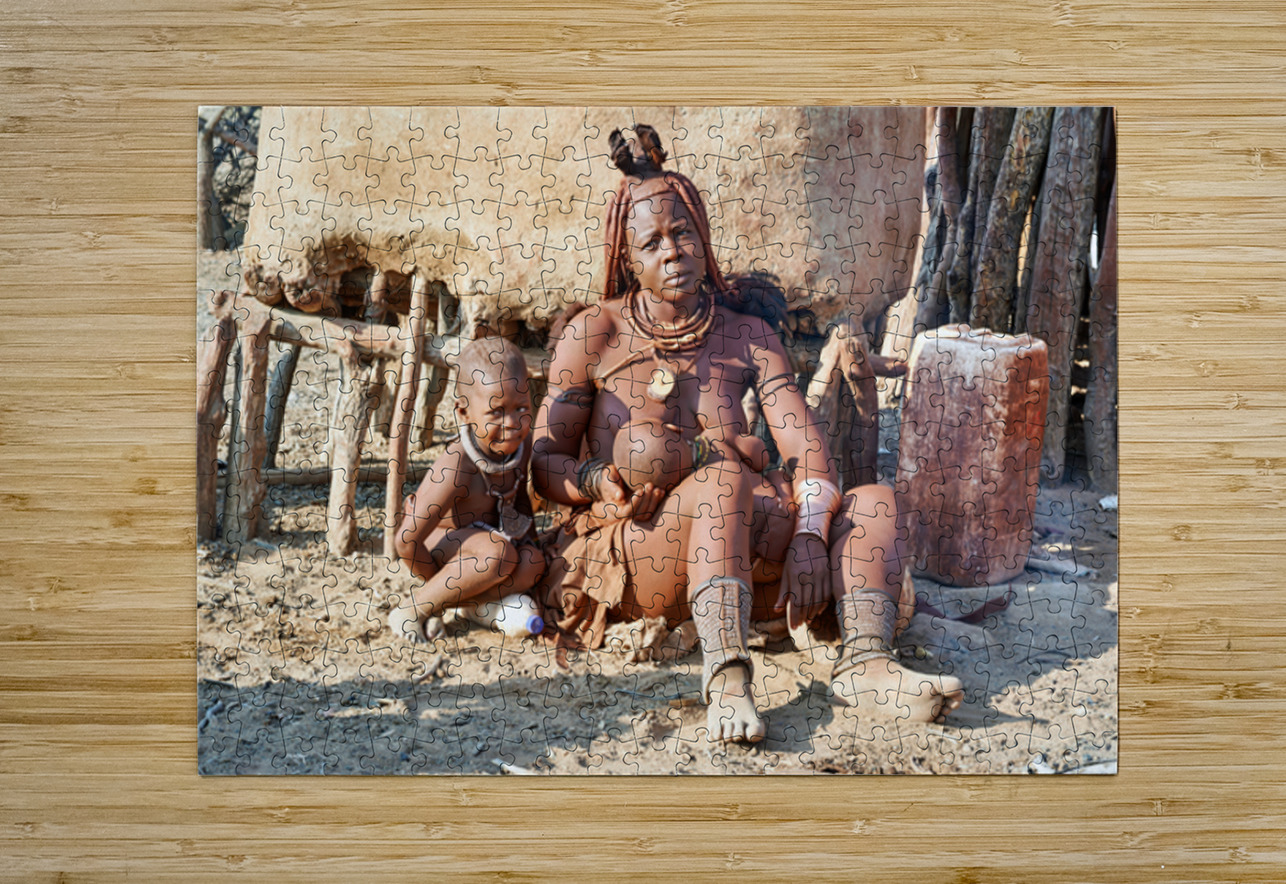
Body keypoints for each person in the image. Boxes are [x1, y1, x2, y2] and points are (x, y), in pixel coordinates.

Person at [532, 126, 962, 743]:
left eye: (683, 234)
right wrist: (598, 482)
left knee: (873, 504)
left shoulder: (748, 337)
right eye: (652, 243)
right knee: (725, 479)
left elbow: (806, 452)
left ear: (704, 238)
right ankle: (728, 680)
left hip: (747, 550)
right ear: (629, 261)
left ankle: (866, 664)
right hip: (637, 552)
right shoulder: (594, 333)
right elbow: (544, 463)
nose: (672, 252)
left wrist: (813, 534)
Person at [388, 337, 546, 643]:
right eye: (497, 412)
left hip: (490, 546)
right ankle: (413, 608)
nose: (512, 422)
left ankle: (468, 606)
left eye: (521, 408)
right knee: (496, 555)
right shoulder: (456, 465)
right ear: (463, 413)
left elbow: (519, 498)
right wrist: (435, 583)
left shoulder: (520, 447)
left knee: (532, 563)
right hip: (442, 547)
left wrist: (530, 541)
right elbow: (406, 541)